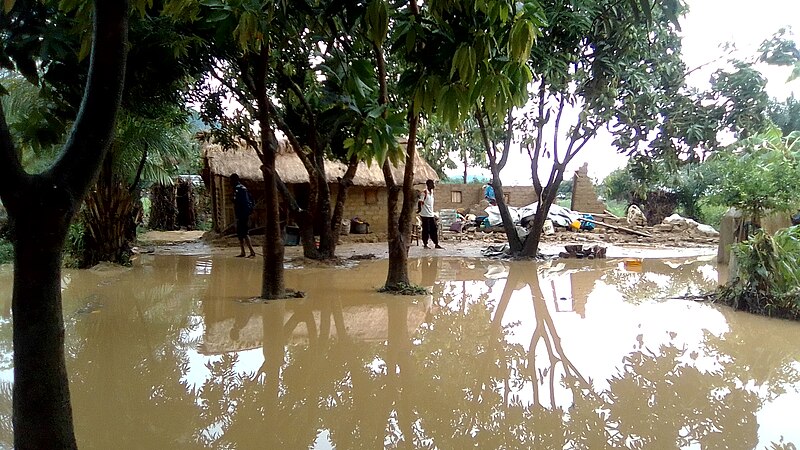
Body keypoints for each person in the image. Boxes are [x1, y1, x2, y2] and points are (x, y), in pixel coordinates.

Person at [230, 173, 256, 258]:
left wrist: (233, 200)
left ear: (233, 180)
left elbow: (238, 201)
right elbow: (251, 199)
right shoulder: (244, 188)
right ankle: (243, 251)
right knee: (241, 233)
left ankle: (251, 251)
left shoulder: (238, 189)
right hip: (245, 213)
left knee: (244, 232)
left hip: (242, 213)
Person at [417, 179, 443, 249]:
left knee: (434, 229)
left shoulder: (431, 192)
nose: (434, 185)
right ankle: (425, 244)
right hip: (425, 215)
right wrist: (419, 210)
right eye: (433, 184)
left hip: (430, 214)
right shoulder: (424, 193)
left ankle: (436, 243)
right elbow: (420, 202)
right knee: (426, 229)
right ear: (429, 185)